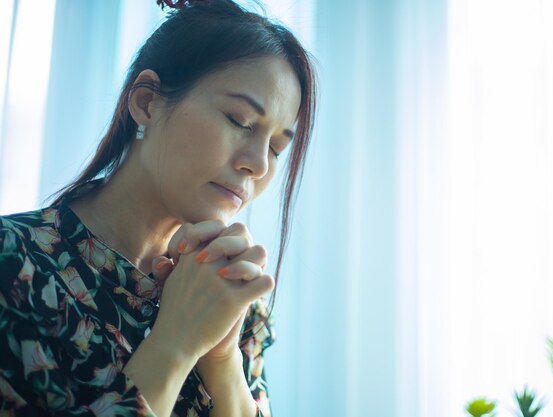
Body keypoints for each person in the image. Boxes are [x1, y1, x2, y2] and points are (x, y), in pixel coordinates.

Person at [0, 0, 317, 416]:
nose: (258, 165)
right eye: (239, 121)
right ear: (147, 102)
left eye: (277, 148)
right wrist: (177, 340)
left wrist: (224, 364)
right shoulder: (15, 264)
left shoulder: (229, 290)